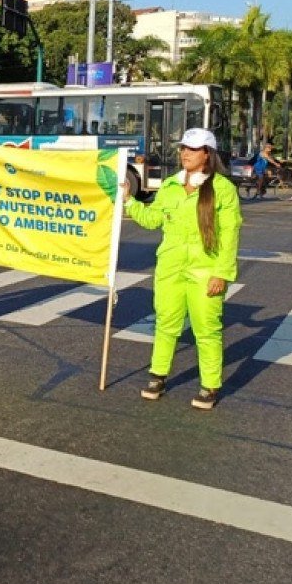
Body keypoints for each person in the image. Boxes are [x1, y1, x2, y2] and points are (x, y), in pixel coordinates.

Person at [122, 127, 242, 410]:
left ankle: (210, 385)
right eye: (183, 148)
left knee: (207, 329)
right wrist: (129, 200)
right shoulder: (171, 185)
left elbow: (230, 234)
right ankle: (158, 375)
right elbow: (153, 219)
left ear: (207, 154)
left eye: (192, 149)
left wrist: (222, 273)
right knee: (165, 323)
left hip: (205, 270)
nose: (185, 153)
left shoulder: (223, 189)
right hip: (170, 268)